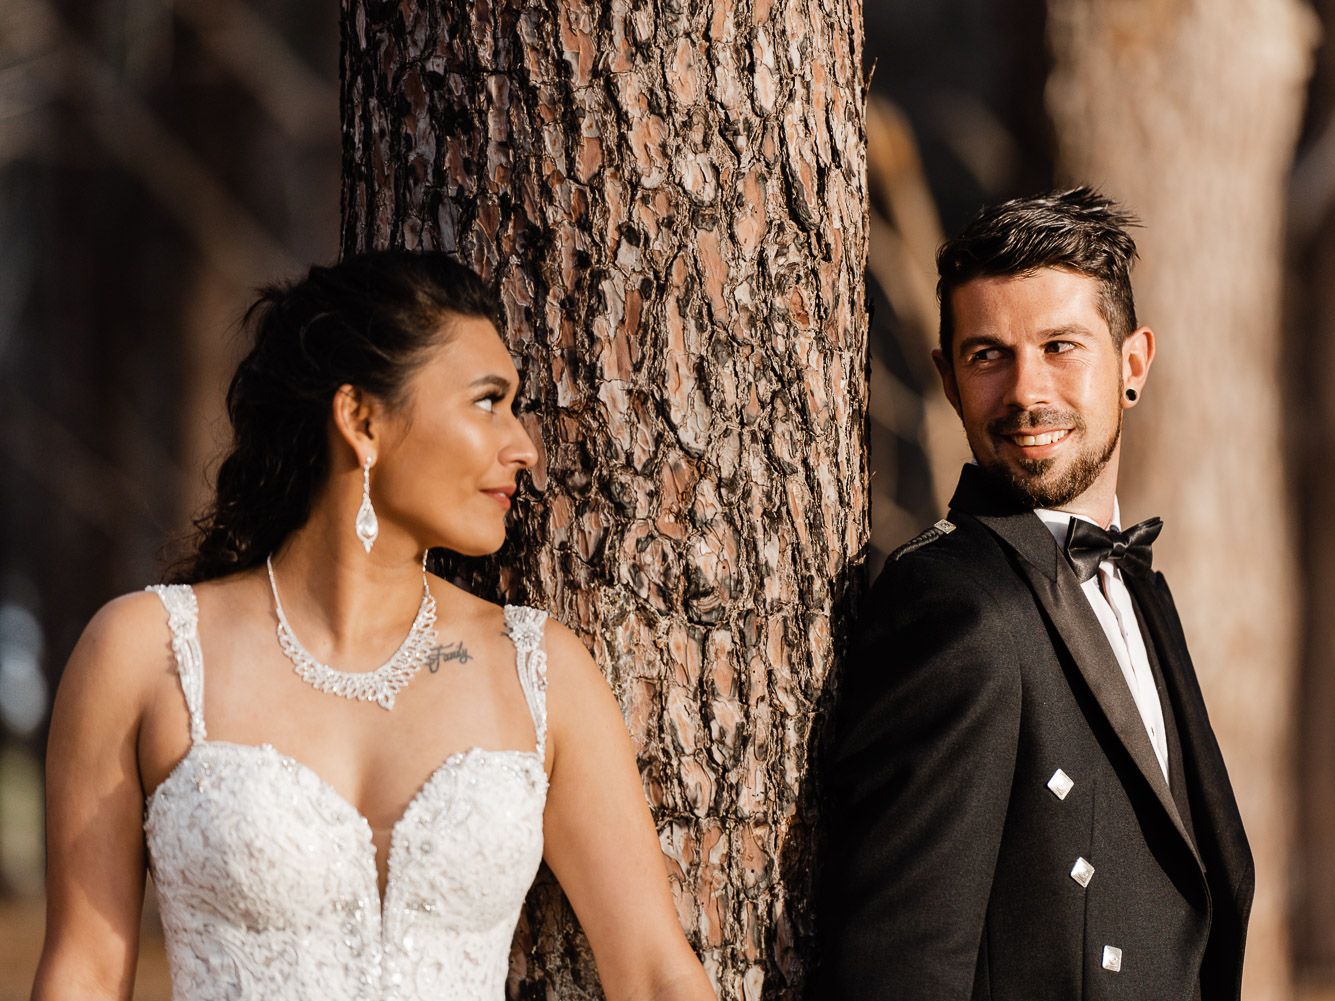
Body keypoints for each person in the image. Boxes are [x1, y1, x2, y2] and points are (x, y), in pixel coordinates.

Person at [31, 251, 715, 1001]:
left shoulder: (539, 670)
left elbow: (655, 974)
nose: (524, 447)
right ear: (361, 419)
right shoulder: (142, 654)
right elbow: (85, 975)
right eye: (489, 401)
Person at [814, 189, 1254, 1001]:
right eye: (989, 355)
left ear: (1132, 363)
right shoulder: (955, 608)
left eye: (1061, 346)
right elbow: (900, 967)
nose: (1025, 392)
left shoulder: (1140, 586)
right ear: (947, 377)